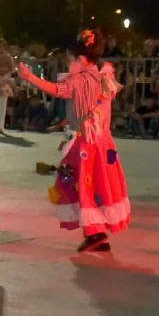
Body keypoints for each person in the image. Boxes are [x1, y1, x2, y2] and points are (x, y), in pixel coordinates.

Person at [19, 29, 131, 251]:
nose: (68, 64)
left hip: (85, 145)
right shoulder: (103, 76)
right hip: (102, 142)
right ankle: (97, 233)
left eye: (70, 59)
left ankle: (95, 233)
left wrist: (30, 77)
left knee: (78, 184)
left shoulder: (82, 80)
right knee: (96, 185)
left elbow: (58, 90)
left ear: (80, 59)